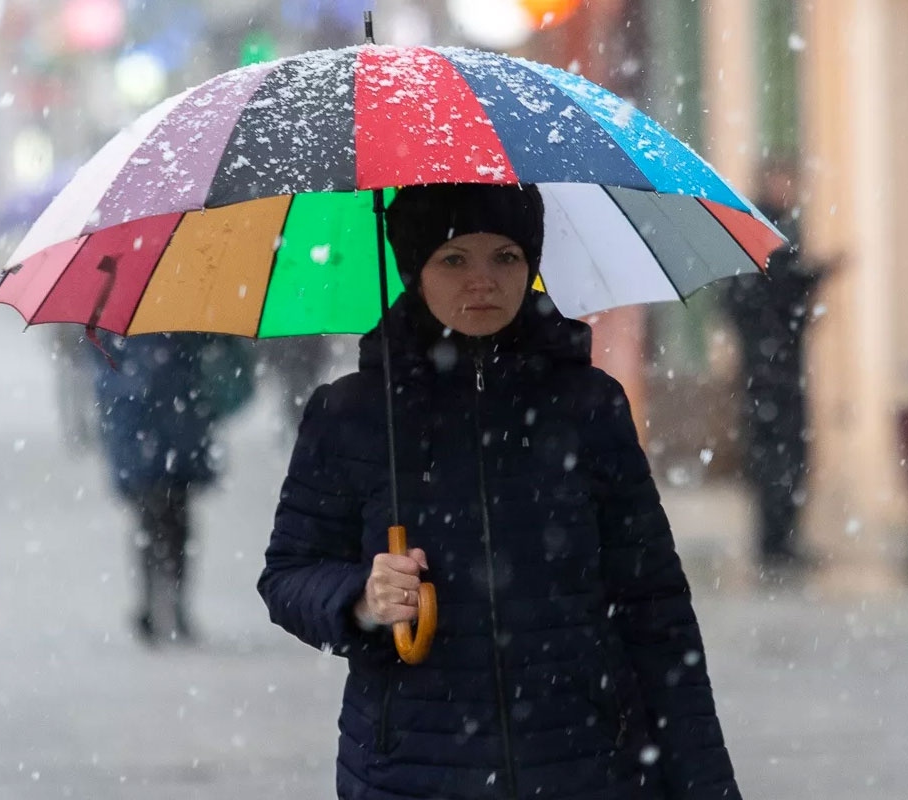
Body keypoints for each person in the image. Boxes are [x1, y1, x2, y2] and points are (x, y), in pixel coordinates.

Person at [259, 183, 741, 800]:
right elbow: (288, 574)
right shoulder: (351, 414)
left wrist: (706, 784)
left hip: (585, 765)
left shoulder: (588, 406)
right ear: (413, 270)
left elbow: (655, 610)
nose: (482, 281)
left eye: (506, 257)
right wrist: (362, 600)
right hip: (410, 771)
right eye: (454, 258)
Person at [92, 332, 255, 645]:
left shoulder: (125, 313)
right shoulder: (184, 312)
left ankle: (163, 603)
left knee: (166, 518)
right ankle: (163, 602)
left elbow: (104, 367)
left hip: (166, 424)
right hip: (161, 423)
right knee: (161, 517)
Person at [722, 158, 834, 573]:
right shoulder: (758, 231)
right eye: (785, 180)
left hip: (779, 364)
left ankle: (782, 538)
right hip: (768, 368)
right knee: (775, 453)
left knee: (788, 453)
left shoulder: (781, 228)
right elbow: (752, 295)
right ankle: (774, 541)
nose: (789, 188)